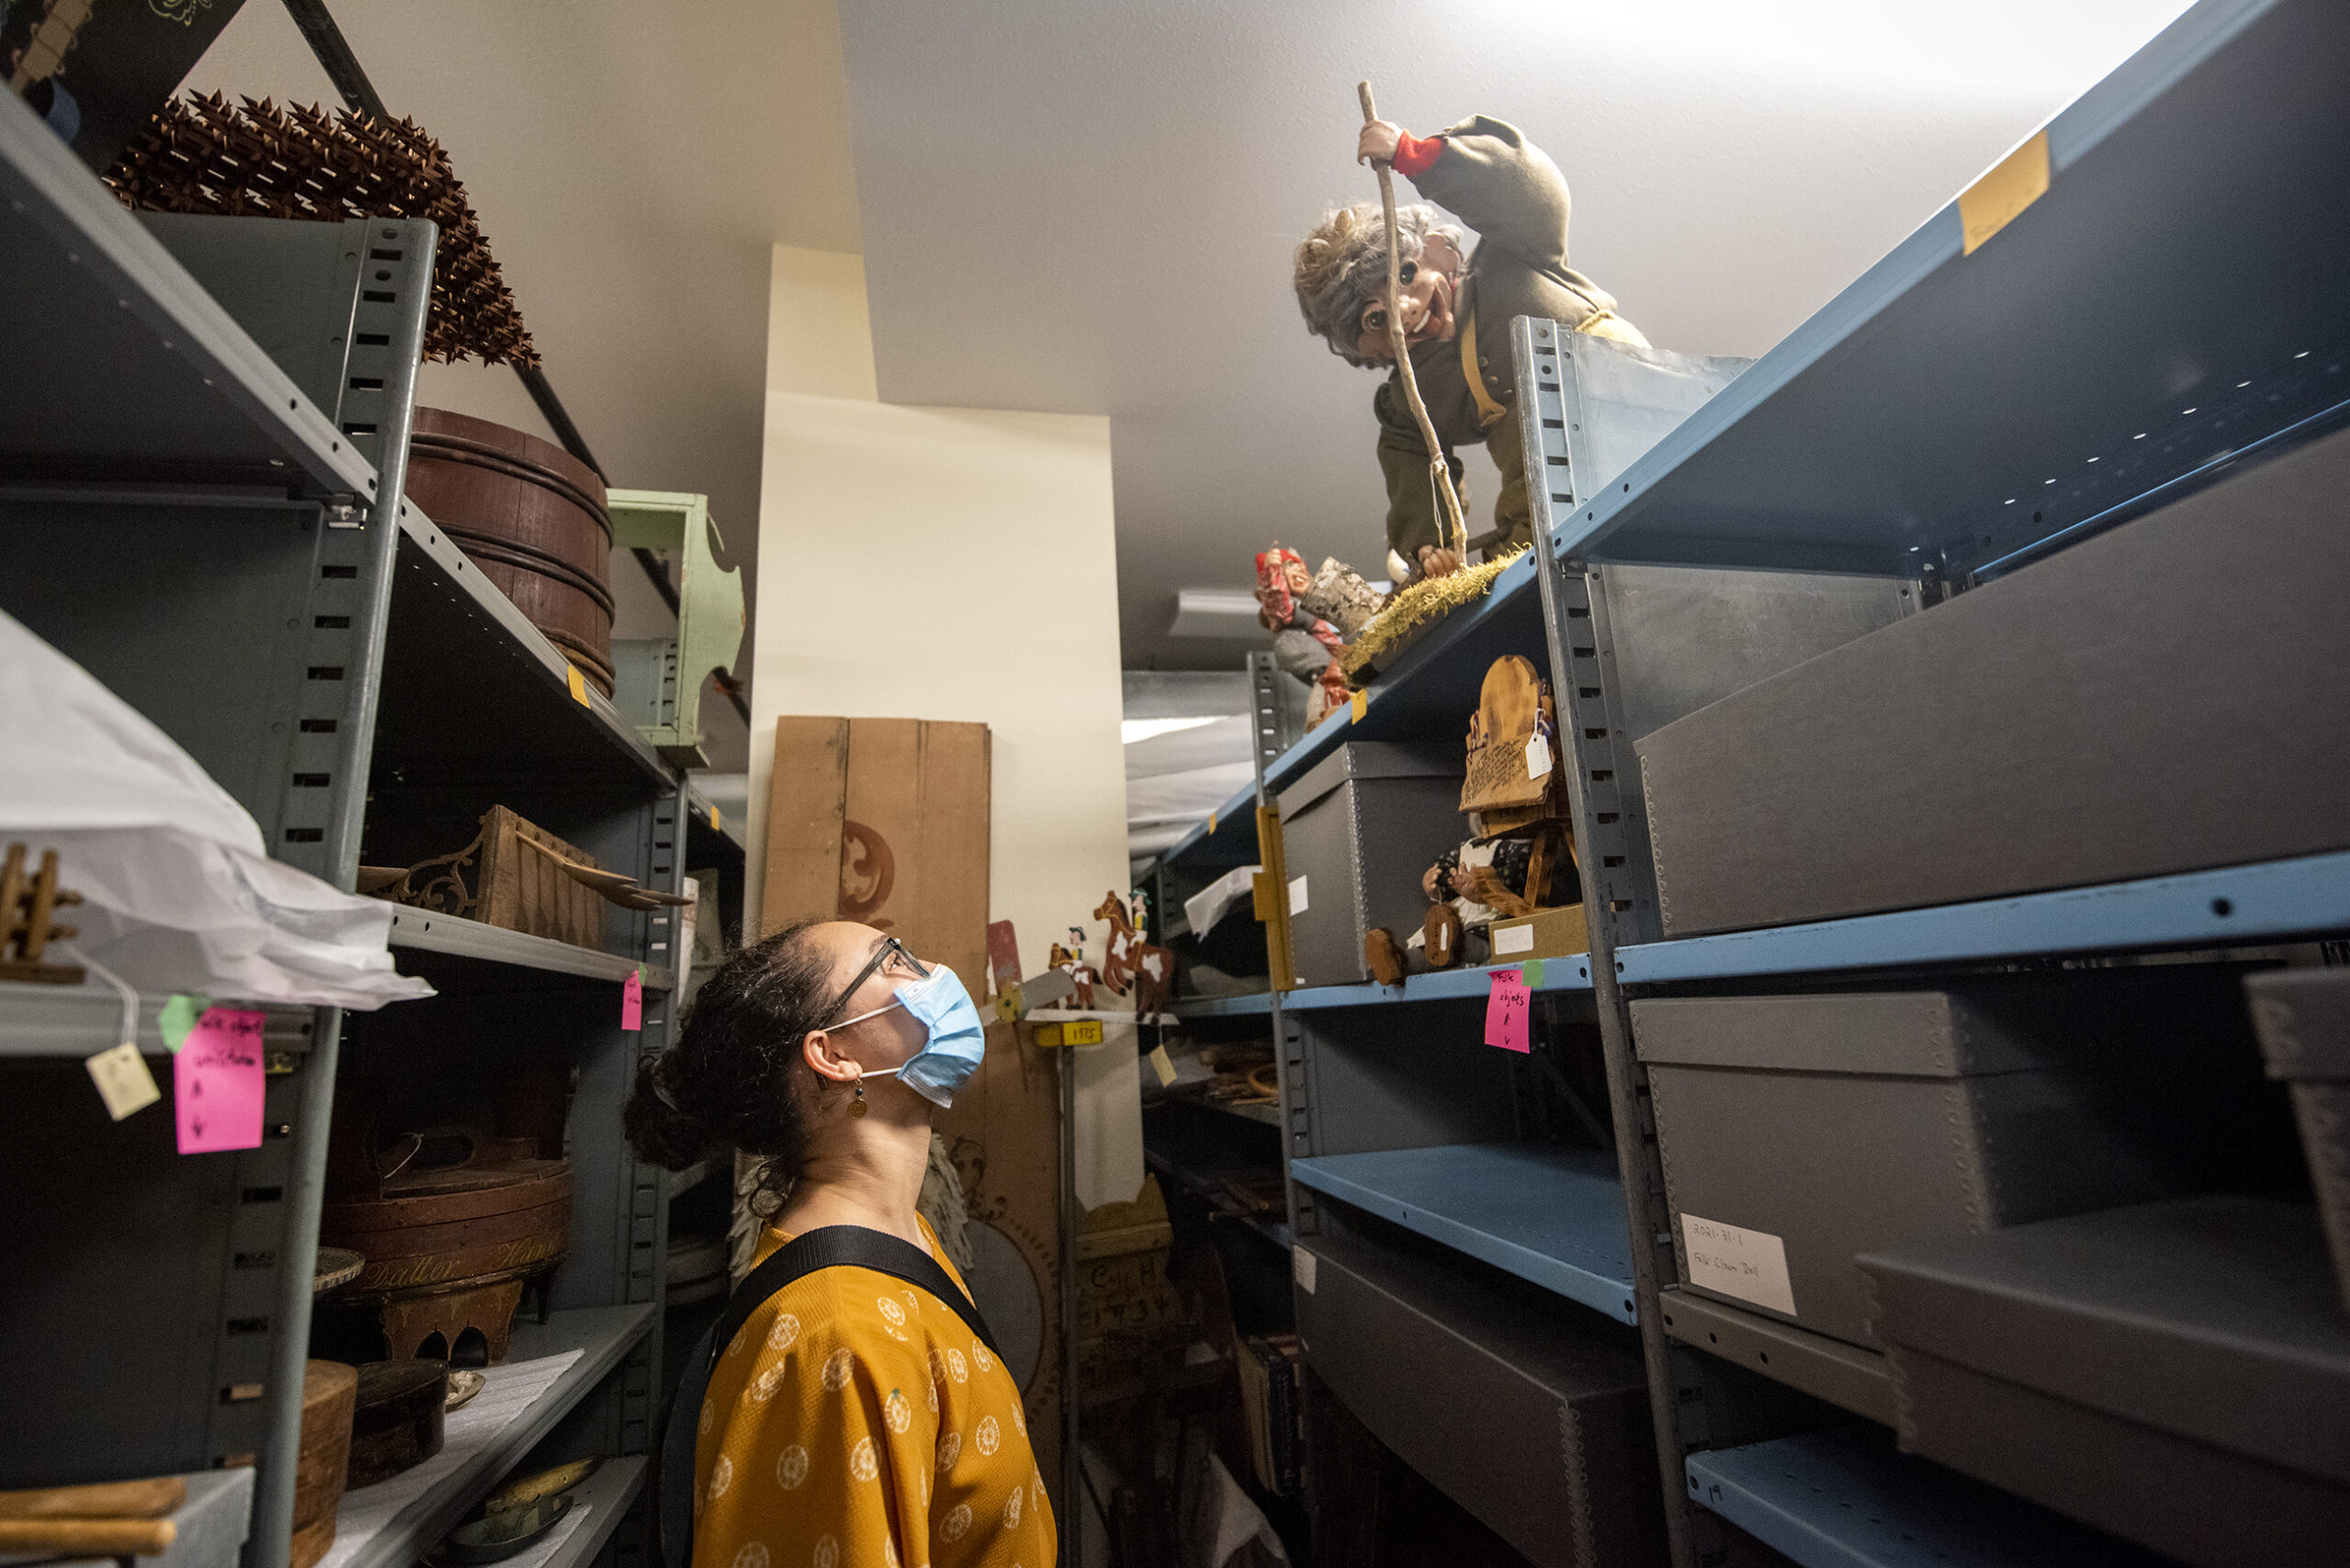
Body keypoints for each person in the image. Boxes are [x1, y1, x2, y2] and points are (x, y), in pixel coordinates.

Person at [626, 921, 1057, 1568]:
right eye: (892, 959)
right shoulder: (837, 1338)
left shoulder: (903, 1238)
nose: (931, 968)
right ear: (832, 1057)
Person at [1292, 115, 1649, 584]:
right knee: (1529, 567)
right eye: (1376, 319)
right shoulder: (1416, 393)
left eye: (1403, 277)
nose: (1402, 312)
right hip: (1545, 491)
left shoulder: (1509, 256)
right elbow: (1408, 453)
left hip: (1626, 394)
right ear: (1370, 352)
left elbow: (1534, 193)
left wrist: (1419, 158)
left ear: (1434, 250)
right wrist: (1429, 542)